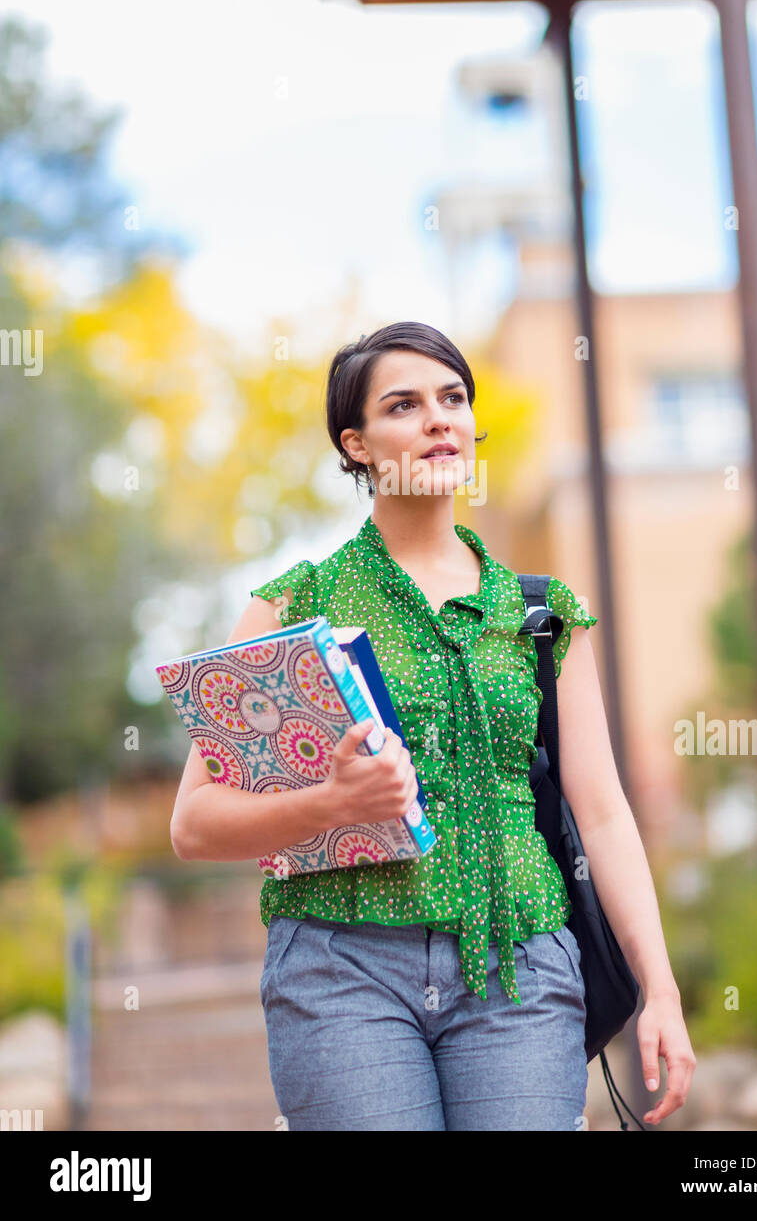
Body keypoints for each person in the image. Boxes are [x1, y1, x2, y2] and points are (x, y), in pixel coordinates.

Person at [170, 320, 695, 1131]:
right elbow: (193, 825)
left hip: (520, 976)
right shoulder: (290, 608)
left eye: (453, 398)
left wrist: (658, 986)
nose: (439, 419)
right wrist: (331, 804)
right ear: (357, 447)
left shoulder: (541, 616)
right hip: (339, 973)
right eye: (405, 405)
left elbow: (603, 813)